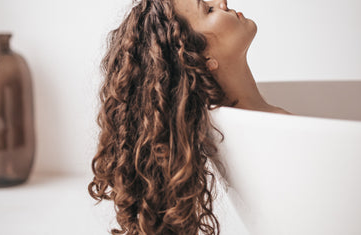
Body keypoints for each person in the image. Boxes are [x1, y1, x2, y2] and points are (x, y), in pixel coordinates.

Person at [88, 0, 291, 234]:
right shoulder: (267, 132)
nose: (222, 2)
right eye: (209, 10)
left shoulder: (265, 121)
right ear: (204, 59)